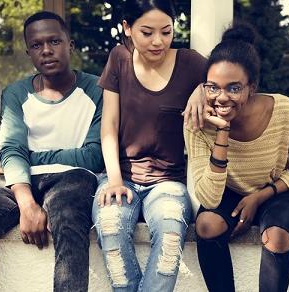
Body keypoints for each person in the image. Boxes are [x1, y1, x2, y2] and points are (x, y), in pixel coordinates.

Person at [0, 11, 103, 292]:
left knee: (69, 217)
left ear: (70, 45)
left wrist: (31, 156)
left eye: (54, 41)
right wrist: (27, 204)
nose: (46, 50)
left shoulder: (97, 90)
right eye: (36, 45)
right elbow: (11, 150)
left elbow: (93, 156)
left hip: (73, 179)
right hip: (20, 182)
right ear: (28, 52)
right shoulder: (15, 94)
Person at [185, 23, 289, 292]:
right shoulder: (198, 123)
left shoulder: (283, 109)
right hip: (229, 190)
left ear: (251, 87)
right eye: (213, 87)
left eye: (234, 88)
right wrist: (222, 132)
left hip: (280, 189)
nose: (222, 98)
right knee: (207, 225)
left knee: (277, 237)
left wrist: (260, 196)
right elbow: (209, 199)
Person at [91, 0, 206, 291]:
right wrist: (114, 179)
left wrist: (204, 89)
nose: (158, 41)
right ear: (128, 28)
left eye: (166, 32)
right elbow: (109, 126)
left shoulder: (192, 63)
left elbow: (229, 82)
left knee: (170, 237)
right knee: (110, 228)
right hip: (121, 175)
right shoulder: (118, 58)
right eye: (147, 32)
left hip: (168, 181)